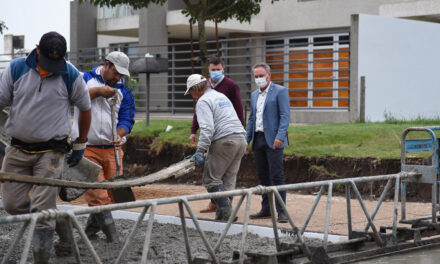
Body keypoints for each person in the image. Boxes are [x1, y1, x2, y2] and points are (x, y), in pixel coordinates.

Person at [0, 31, 91, 263]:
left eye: (56, 62)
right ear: (37, 49)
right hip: (18, 148)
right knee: (11, 204)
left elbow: (85, 107)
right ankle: (62, 222)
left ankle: (42, 258)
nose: (52, 68)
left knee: (42, 211)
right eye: (48, 61)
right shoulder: (16, 69)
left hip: (51, 152)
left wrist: (81, 142)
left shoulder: (69, 74)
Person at [71, 51, 135, 242]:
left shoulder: (124, 91)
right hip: (86, 148)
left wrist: (120, 133)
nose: (118, 78)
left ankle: (89, 233)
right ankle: (113, 238)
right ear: (107, 65)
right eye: (116, 73)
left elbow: (126, 119)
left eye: (121, 75)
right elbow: (72, 98)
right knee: (98, 196)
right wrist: (97, 92)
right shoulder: (83, 79)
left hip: (113, 150)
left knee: (110, 196)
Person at [185, 74, 247, 221]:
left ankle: (226, 213)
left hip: (224, 141)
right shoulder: (221, 96)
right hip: (240, 140)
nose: (192, 96)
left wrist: (200, 151)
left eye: (191, 93)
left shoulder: (203, 101)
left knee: (211, 179)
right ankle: (222, 219)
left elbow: (207, 128)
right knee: (228, 180)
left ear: (195, 88)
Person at [246, 62, 290, 223]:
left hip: (274, 140)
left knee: (277, 175)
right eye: (256, 76)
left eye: (261, 76)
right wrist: (247, 140)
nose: (259, 79)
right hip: (258, 139)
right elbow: (252, 119)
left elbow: (285, 116)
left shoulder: (280, 91)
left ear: (268, 75)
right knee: (263, 176)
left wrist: (280, 136)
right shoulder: (254, 95)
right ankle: (266, 208)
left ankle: (282, 211)